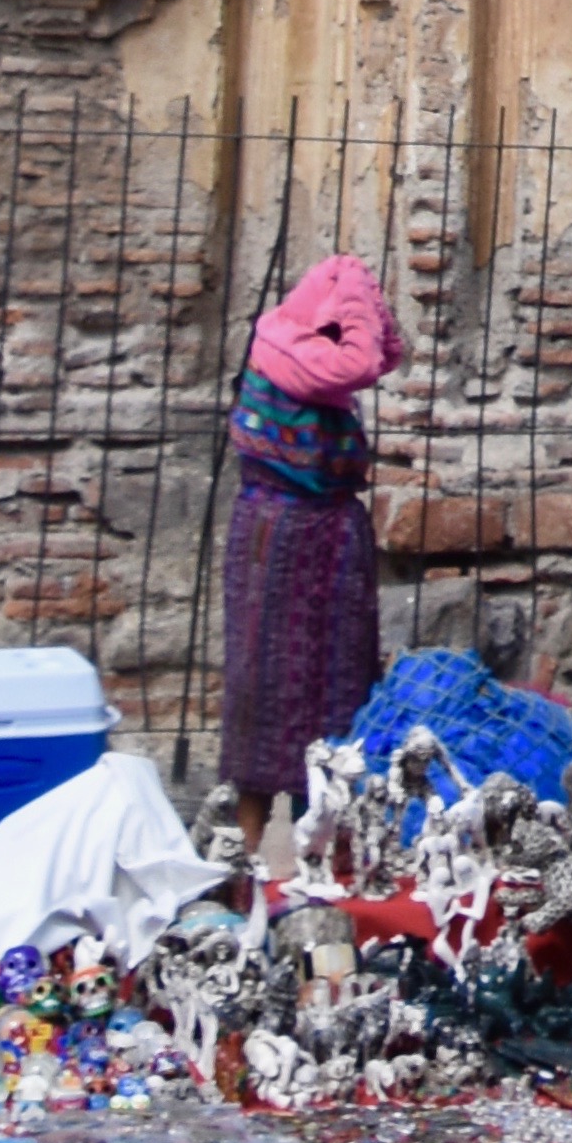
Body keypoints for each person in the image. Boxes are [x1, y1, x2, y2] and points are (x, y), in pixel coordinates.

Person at [220, 249, 403, 836]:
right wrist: (354, 287)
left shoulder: (292, 350)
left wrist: (356, 287)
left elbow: (386, 352)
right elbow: (363, 359)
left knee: (338, 686)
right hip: (279, 541)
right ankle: (252, 852)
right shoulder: (286, 351)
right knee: (263, 690)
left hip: (325, 541)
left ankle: (319, 837)